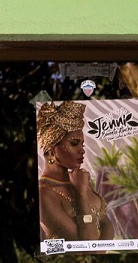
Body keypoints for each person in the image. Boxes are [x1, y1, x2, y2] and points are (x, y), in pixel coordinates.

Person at [37, 100, 108, 242]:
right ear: (51, 149)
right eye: (74, 143)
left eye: (82, 144)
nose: (82, 150)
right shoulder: (44, 194)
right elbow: (86, 242)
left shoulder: (79, 180)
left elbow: (108, 225)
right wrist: (81, 193)